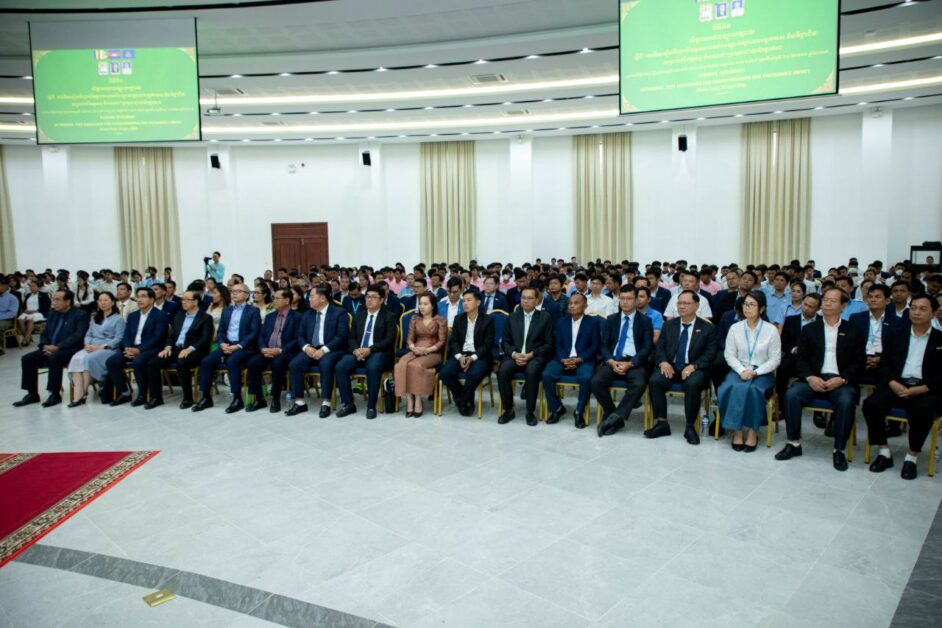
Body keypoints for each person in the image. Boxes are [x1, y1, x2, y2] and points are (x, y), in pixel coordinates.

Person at [775, 288, 866, 471]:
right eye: (825, 300)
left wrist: (842, 379)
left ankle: (838, 449)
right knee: (792, 394)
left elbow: (859, 362)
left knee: (846, 401)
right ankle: (793, 443)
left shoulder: (854, 330)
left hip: (840, 382)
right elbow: (801, 359)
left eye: (833, 301)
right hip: (814, 378)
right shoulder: (810, 329)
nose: (827, 303)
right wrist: (809, 377)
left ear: (843, 306)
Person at [863, 294, 942, 479]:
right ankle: (884, 451)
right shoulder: (896, 334)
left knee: (923, 409)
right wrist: (892, 383)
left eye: (922, 309)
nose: (916, 312)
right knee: (870, 404)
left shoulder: (939, 339)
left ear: (933, 313)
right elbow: (884, 364)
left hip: (924, 388)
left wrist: (923, 388)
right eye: (913, 308)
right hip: (897, 383)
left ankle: (911, 457)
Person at [645, 290, 717, 445]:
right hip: (670, 366)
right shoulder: (668, 325)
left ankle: (690, 427)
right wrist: (663, 362)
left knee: (692, 383)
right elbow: (659, 348)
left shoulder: (707, 328)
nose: (682, 306)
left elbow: (710, 353)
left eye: (686, 303)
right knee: (655, 380)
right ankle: (662, 423)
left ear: (696, 306)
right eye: (679, 303)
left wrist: (694, 366)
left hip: (694, 368)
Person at [718, 291, 781, 451]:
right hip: (739, 370)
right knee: (728, 388)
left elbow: (775, 359)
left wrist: (756, 372)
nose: (747, 308)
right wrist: (741, 370)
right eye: (745, 304)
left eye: (752, 305)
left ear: (762, 309)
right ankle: (737, 431)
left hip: (762, 372)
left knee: (754, 390)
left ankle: (753, 432)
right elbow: (729, 354)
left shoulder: (771, 330)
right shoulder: (735, 328)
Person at [592, 285, 654, 437]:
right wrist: (610, 360)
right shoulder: (611, 319)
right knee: (596, 381)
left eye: (629, 298)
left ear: (636, 300)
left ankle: (615, 417)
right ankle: (614, 415)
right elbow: (604, 345)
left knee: (639, 383)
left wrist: (631, 363)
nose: (625, 302)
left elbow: (647, 347)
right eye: (622, 298)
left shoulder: (645, 321)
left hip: (634, 362)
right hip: (614, 360)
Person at [13, 290, 89, 408]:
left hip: (70, 349)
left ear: (68, 301)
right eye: (53, 299)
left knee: (54, 359)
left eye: (57, 299)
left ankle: (54, 394)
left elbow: (78, 336)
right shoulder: (53, 314)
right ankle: (32, 394)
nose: (54, 302)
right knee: (27, 359)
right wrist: (44, 346)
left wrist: (58, 347)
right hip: (49, 348)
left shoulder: (80, 315)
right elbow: (44, 333)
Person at [334, 285, 399, 419]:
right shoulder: (359, 315)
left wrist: (370, 349)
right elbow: (351, 337)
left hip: (379, 352)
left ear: (381, 300)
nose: (369, 300)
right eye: (367, 297)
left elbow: (389, 339)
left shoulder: (389, 316)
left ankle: (371, 406)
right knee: (341, 366)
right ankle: (348, 404)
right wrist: (356, 350)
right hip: (359, 352)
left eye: (373, 297)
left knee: (373, 367)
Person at [194, 283, 261, 413]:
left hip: (245, 347)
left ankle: (237, 398)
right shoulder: (227, 310)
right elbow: (220, 331)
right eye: (232, 291)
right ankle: (206, 397)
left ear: (247, 295)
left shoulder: (253, 311)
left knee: (232, 361)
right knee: (207, 361)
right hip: (226, 345)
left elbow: (254, 332)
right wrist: (221, 343)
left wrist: (238, 346)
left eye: (238, 291)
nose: (234, 293)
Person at [286, 284, 350, 417]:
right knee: (295, 364)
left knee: (325, 363)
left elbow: (341, 336)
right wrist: (306, 347)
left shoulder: (339, 312)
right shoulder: (306, 315)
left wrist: (324, 350)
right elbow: (300, 336)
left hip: (332, 349)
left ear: (322, 298)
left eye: (311, 296)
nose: (308, 299)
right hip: (311, 348)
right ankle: (299, 402)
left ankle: (326, 402)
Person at [143, 290, 213, 410]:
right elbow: (171, 335)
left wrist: (190, 349)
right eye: (182, 299)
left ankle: (188, 398)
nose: (183, 302)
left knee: (182, 363)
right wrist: (167, 347)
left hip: (196, 351)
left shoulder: (205, 318)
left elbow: (205, 338)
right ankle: (156, 398)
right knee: (153, 363)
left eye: (187, 299)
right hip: (176, 349)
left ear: (195, 302)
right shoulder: (179, 316)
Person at [497, 286, 554, 425]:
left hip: (534, 356)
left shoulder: (545, 317)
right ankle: (508, 410)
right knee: (502, 371)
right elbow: (505, 341)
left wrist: (532, 354)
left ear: (537, 300)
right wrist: (514, 354)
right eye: (523, 298)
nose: (526, 301)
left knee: (532, 371)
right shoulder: (512, 316)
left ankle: (530, 412)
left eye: (530, 298)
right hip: (514, 355)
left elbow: (549, 344)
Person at [541, 292, 600, 428]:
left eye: (576, 303)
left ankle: (579, 411)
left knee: (586, 378)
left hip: (584, 360)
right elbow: (558, 344)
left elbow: (595, 346)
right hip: (563, 359)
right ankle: (556, 408)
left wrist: (580, 359)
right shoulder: (561, 322)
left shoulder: (593, 323)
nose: (572, 306)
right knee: (547, 375)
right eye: (570, 303)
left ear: (585, 306)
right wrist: (563, 359)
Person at [104, 287, 168, 406]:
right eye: (138, 297)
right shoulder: (133, 316)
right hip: (132, 348)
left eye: (143, 296)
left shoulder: (160, 315)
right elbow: (126, 335)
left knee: (138, 361)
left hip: (151, 349)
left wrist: (139, 350)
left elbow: (157, 337)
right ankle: (124, 393)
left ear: (152, 299)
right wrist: (128, 348)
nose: (139, 299)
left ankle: (142, 395)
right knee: (112, 362)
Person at [439, 289, 495, 417]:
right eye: (464, 301)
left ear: (478, 302)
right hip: (461, 353)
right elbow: (453, 342)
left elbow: (488, 345)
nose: (465, 303)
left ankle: (462, 401)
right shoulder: (459, 319)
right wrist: (459, 357)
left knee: (474, 374)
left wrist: (472, 358)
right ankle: (462, 396)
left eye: (469, 300)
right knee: (445, 373)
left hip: (479, 356)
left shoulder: (487, 320)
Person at [244, 289, 301, 413]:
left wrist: (280, 350)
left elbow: (297, 339)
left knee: (277, 363)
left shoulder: (297, 317)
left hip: (285, 352)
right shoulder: (270, 316)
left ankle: (275, 398)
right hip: (268, 350)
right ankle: (259, 398)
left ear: (287, 300)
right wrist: (263, 348)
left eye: (277, 298)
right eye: (274, 298)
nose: (274, 301)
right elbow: (261, 335)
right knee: (253, 363)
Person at [66, 292, 125, 407]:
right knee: (76, 359)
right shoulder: (94, 318)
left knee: (89, 359)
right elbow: (88, 334)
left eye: (106, 300)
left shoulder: (118, 319)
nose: (103, 303)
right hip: (91, 347)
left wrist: (101, 346)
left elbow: (118, 338)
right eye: (100, 300)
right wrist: (87, 344)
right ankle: (78, 393)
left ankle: (83, 393)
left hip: (108, 349)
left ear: (112, 302)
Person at [395, 293, 446, 417]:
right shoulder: (415, 319)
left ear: (433, 306)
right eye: (420, 304)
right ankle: (409, 400)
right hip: (416, 349)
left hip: (433, 352)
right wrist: (413, 348)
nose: (422, 307)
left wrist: (427, 350)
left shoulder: (440, 320)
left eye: (425, 304)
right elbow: (410, 339)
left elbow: (441, 342)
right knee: (400, 365)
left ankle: (418, 399)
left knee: (415, 366)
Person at [777, 293, 822, 407]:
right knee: (782, 368)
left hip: (815, 358)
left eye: (811, 306)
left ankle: (818, 408)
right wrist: (794, 349)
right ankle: (781, 405)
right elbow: (783, 342)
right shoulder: (791, 320)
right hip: (794, 356)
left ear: (818, 309)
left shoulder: (822, 322)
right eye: (805, 304)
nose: (806, 308)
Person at [16, 279, 50, 346]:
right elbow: (24, 306)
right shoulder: (28, 295)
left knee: (30, 319)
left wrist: (35, 311)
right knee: (20, 319)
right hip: (28, 312)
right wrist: (25, 310)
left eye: (34, 286)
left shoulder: (44, 295)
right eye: (30, 286)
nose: (31, 288)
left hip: (39, 313)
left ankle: (26, 339)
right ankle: (27, 338)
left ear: (39, 287)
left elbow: (46, 307)